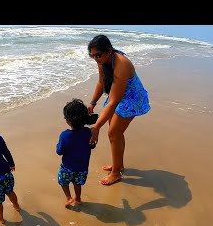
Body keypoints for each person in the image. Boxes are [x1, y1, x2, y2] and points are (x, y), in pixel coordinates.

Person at [86, 34, 150, 186]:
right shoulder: (102, 59)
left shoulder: (121, 65)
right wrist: (92, 103)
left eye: (98, 55)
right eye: (92, 55)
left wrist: (96, 127)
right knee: (116, 132)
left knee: (113, 132)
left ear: (109, 51)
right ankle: (118, 165)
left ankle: (115, 173)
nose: (96, 59)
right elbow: (101, 83)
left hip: (132, 98)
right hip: (118, 93)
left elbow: (114, 102)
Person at [56, 98, 97, 206]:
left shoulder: (65, 135)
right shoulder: (88, 132)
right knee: (77, 183)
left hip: (67, 167)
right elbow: (92, 146)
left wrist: (58, 146)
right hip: (82, 167)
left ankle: (69, 198)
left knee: (63, 181)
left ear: (68, 120)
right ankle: (78, 198)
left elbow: (59, 151)